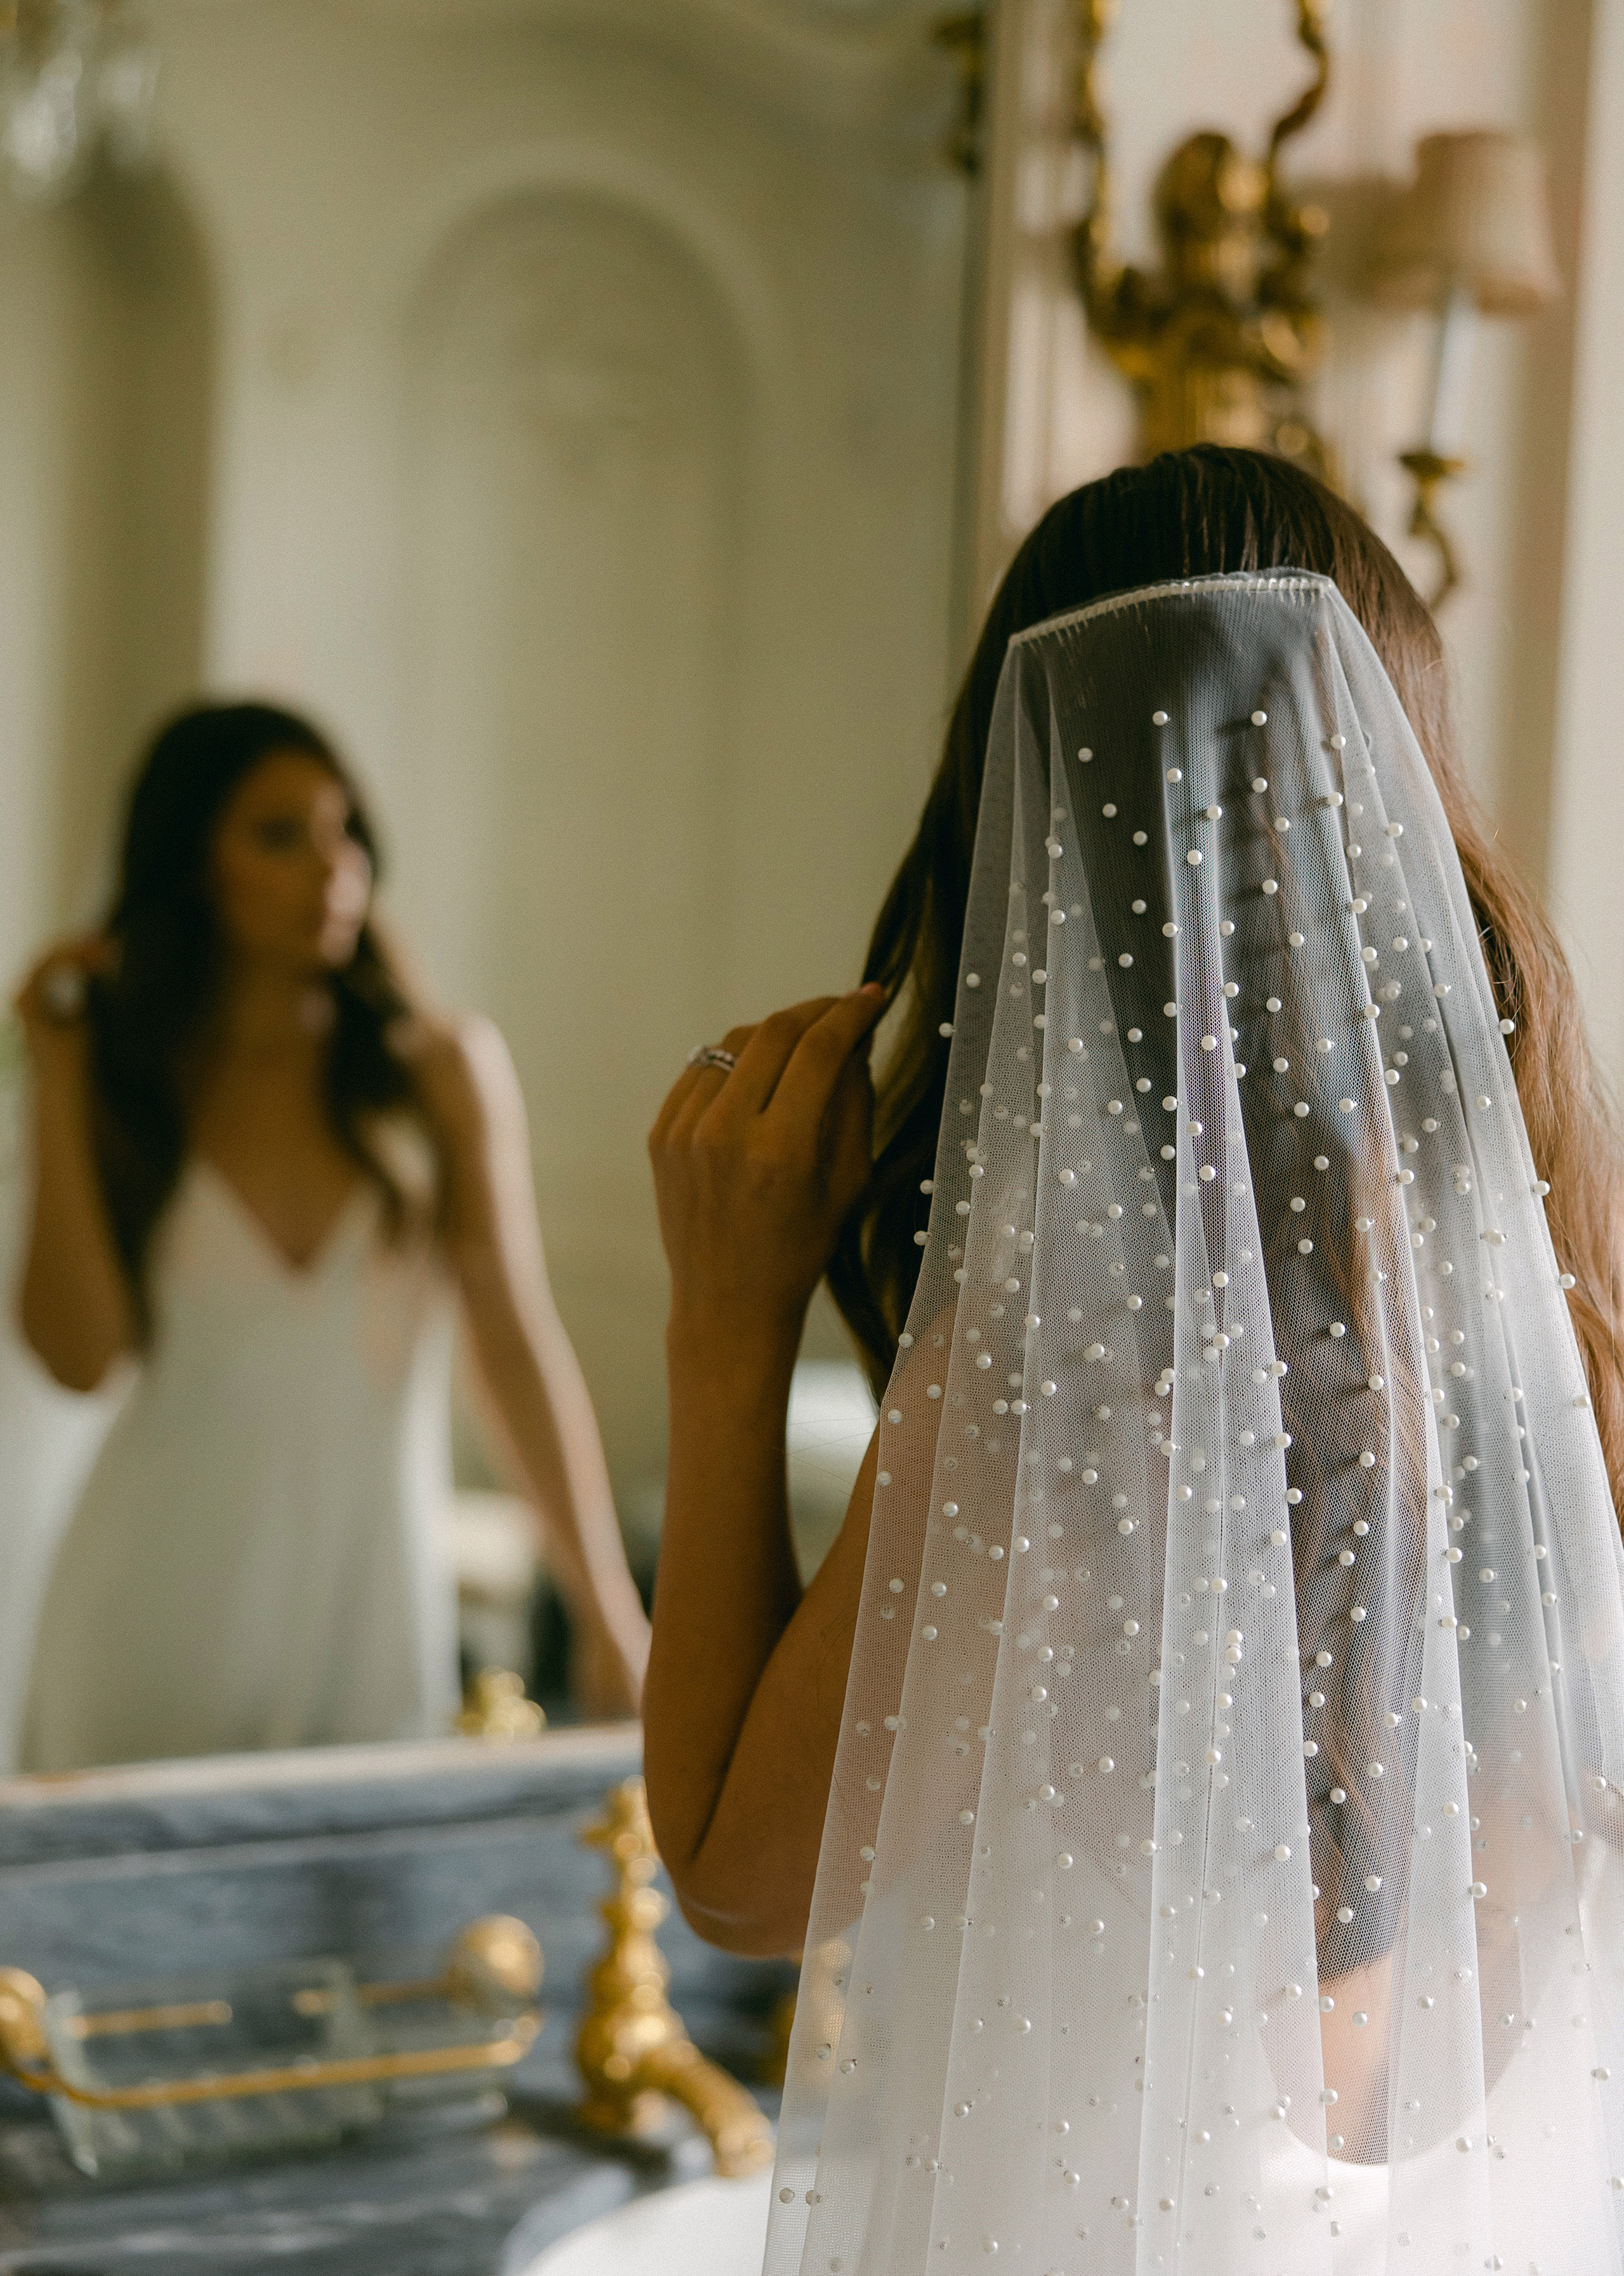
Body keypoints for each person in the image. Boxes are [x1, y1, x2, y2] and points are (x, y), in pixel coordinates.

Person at [645, 447, 1624, 2272]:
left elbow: (731, 1872)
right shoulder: (1551, 1301)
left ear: (1040, 840)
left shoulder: (1067, 1383)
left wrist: (726, 1325)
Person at [15, 701, 647, 1769]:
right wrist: (59, 1071)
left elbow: (514, 1344)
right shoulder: (126, 1081)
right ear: (190, 866)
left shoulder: (435, 1075)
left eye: (343, 831)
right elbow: (78, 1359)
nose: (334, 867)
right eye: (278, 835)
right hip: (148, 1625)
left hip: (366, 1616)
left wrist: (610, 1613)